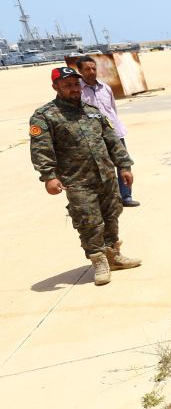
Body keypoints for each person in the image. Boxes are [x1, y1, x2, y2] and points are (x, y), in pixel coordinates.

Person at [29, 67, 142, 286]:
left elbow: (111, 140)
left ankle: (113, 255)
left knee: (112, 215)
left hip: (106, 176)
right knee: (88, 221)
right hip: (77, 181)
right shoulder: (45, 116)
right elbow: (41, 149)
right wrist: (48, 176)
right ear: (56, 87)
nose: (73, 89)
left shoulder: (92, 111)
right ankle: (98, 260)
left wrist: (124, 165)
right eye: (67, 85)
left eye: (75, 84)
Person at [75, 55, 140, 207]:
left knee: (123, 164)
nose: (91, 72)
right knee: (101, 167)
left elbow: (113, 110)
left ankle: (126, 196)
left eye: (93, 68)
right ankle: (107, 198)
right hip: (94, 136)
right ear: (80, 71)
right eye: (87, 69)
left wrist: (115, 126)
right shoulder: (78, 91)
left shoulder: (105, 88)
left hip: (115, 132)